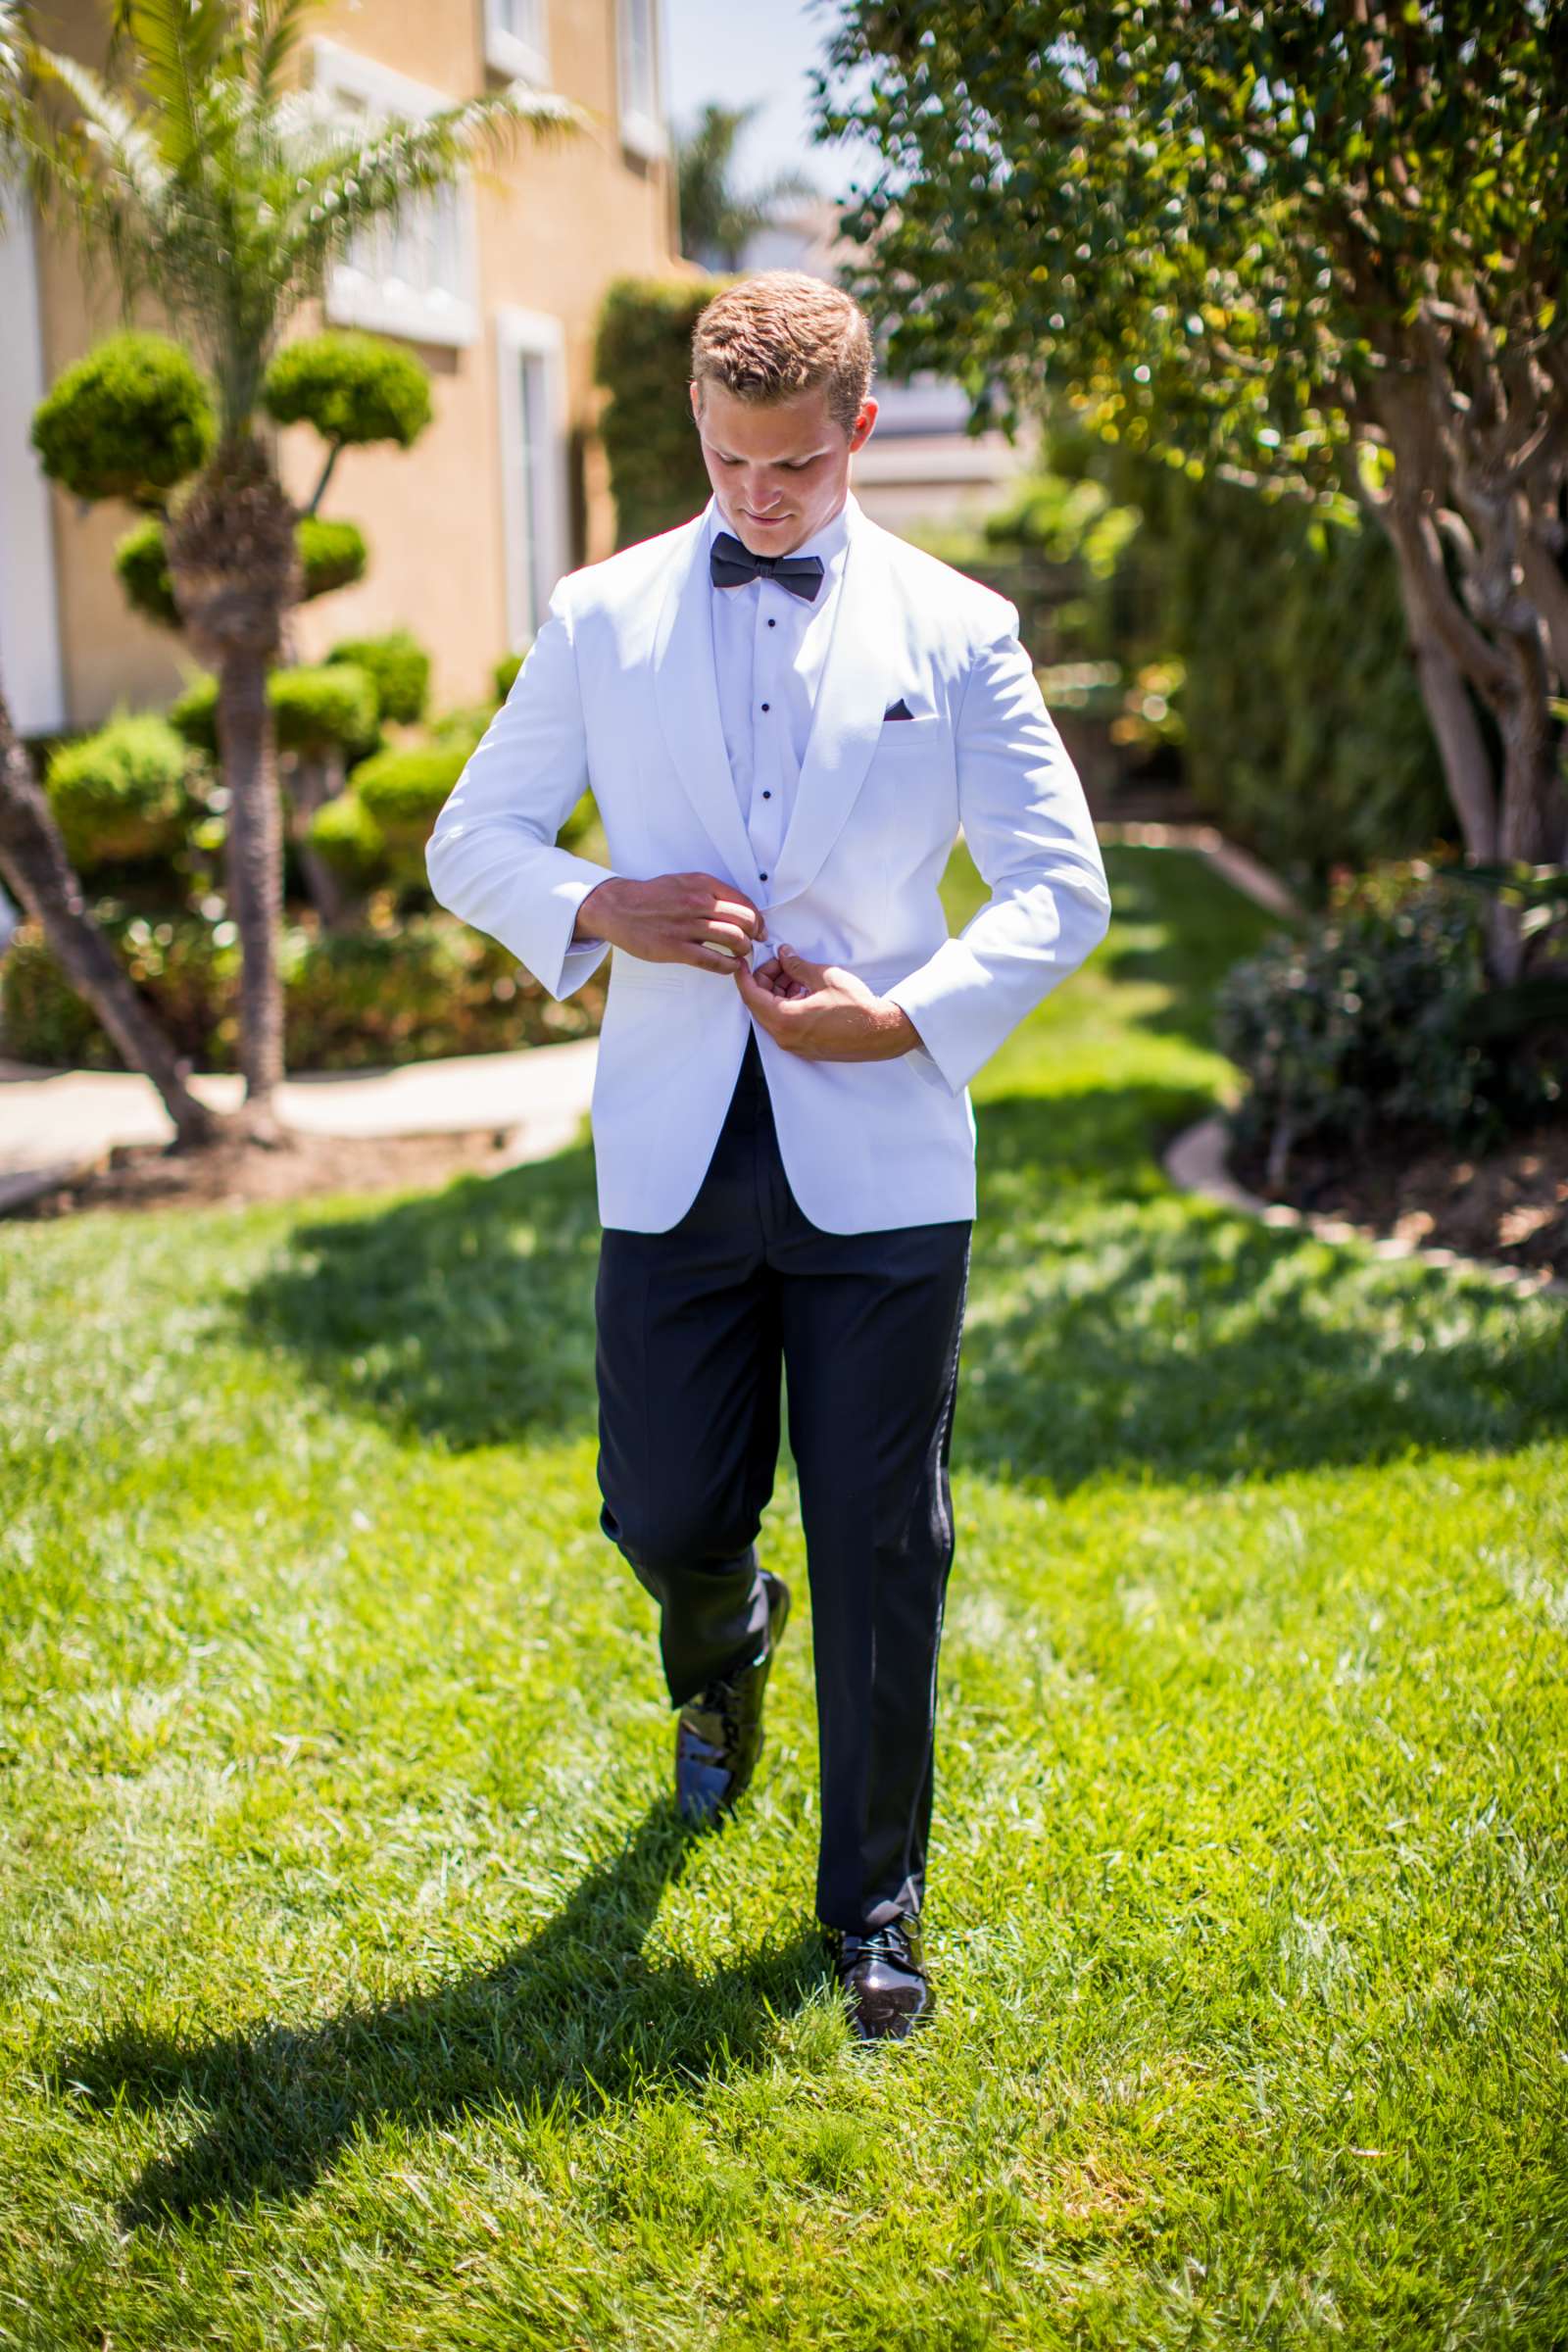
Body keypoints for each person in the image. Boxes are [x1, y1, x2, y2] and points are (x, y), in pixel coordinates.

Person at [426, 271, 1111, 2043]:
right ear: (698, 434)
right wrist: (602, 904)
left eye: (794, 470)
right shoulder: (597, 614)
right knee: (661, 1510)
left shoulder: (960, 629)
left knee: (889, 1540)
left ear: (860, 434)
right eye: (730, 466)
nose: (757, 500)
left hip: (882, 1161)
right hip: (671, 1149)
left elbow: (1063, 885)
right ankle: (723, 1648)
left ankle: (871, 1915)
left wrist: (908, 1016)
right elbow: (469, 838)